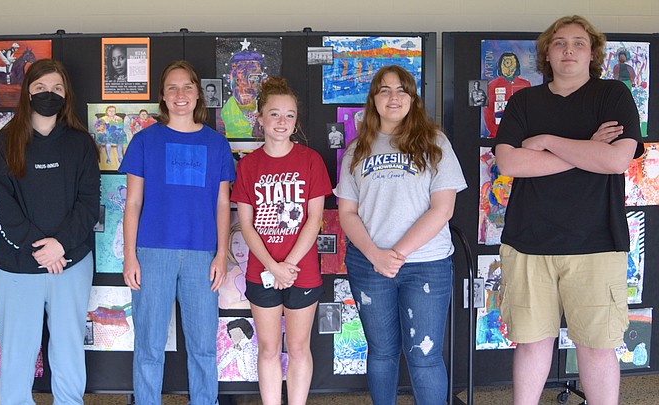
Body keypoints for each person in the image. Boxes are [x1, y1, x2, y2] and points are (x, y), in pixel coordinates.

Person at [493, 15, 643, 405]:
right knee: (529, 343)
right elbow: (510, 164)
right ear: (547, 53)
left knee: (596, 346)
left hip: (597, 242)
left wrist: (545, 141)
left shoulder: (613, 95)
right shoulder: (524, 100)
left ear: (592, 53)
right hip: (527, 243)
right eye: (559, 43)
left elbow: (615, 161)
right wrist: (586, 148)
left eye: (578, 43)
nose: (569, 50)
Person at [334, 65, 466, 405]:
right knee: (381, 353)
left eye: (401, 90)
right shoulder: (356, 150)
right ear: (373, 99)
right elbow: (347, 213)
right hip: (369, 265)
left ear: (412, 98)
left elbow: (443, 209)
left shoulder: (435, 143)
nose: (393, 97)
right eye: (384, 90)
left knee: (424, 355)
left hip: (426, 265)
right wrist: (377, 256)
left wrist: (398, 253)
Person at [0, 59, 100, 404]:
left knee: (68, 352)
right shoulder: (4, 143)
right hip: (17, 266)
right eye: (40, 88)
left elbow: (89, 204)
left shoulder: (80, 144)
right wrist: (42, 249)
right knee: (18, 354)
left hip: (71, 263)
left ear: (66, 96)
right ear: (26, 93)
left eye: (57, 89)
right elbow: (0, 208)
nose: (49, 95)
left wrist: (60, 246)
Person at [121, 60, 234, 405]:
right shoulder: (144, 141)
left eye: (187, 87)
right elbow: (133, 204)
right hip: (152, 252)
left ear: (198, 93)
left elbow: (221, 205)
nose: (180, 94)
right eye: (172, 87)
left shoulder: (216, 145)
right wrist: (129, 256)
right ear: (162, 96)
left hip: (202, 254)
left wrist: (221, 254)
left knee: (203, 346)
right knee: (149, 345)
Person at [231, 76, 331, 405]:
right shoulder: (248, 166)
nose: (282, 122)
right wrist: (273, 267)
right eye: (274, 114)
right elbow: (245, 224)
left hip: (302, 272)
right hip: (262, 270)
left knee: (300, 347)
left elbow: (314, 219)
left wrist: (288, 266)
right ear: (260, 118)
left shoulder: (311, 160)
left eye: (289, 115)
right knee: (269, 348)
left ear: (296, 121)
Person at [482, 51, 532, 137]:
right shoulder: (491, 86)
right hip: (497, 135)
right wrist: (496, 133)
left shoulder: (525, 84)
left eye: (512, 63)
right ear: (500, 66)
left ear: (516, 66)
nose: (509, 68)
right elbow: (488, 113)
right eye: (506, 63)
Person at [221, 48, 266, 138]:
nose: (246, 86)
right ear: (229, 79)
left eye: (253, 78)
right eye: (239, 80)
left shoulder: (268, 111)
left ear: (262, 80)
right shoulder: (221, 116)